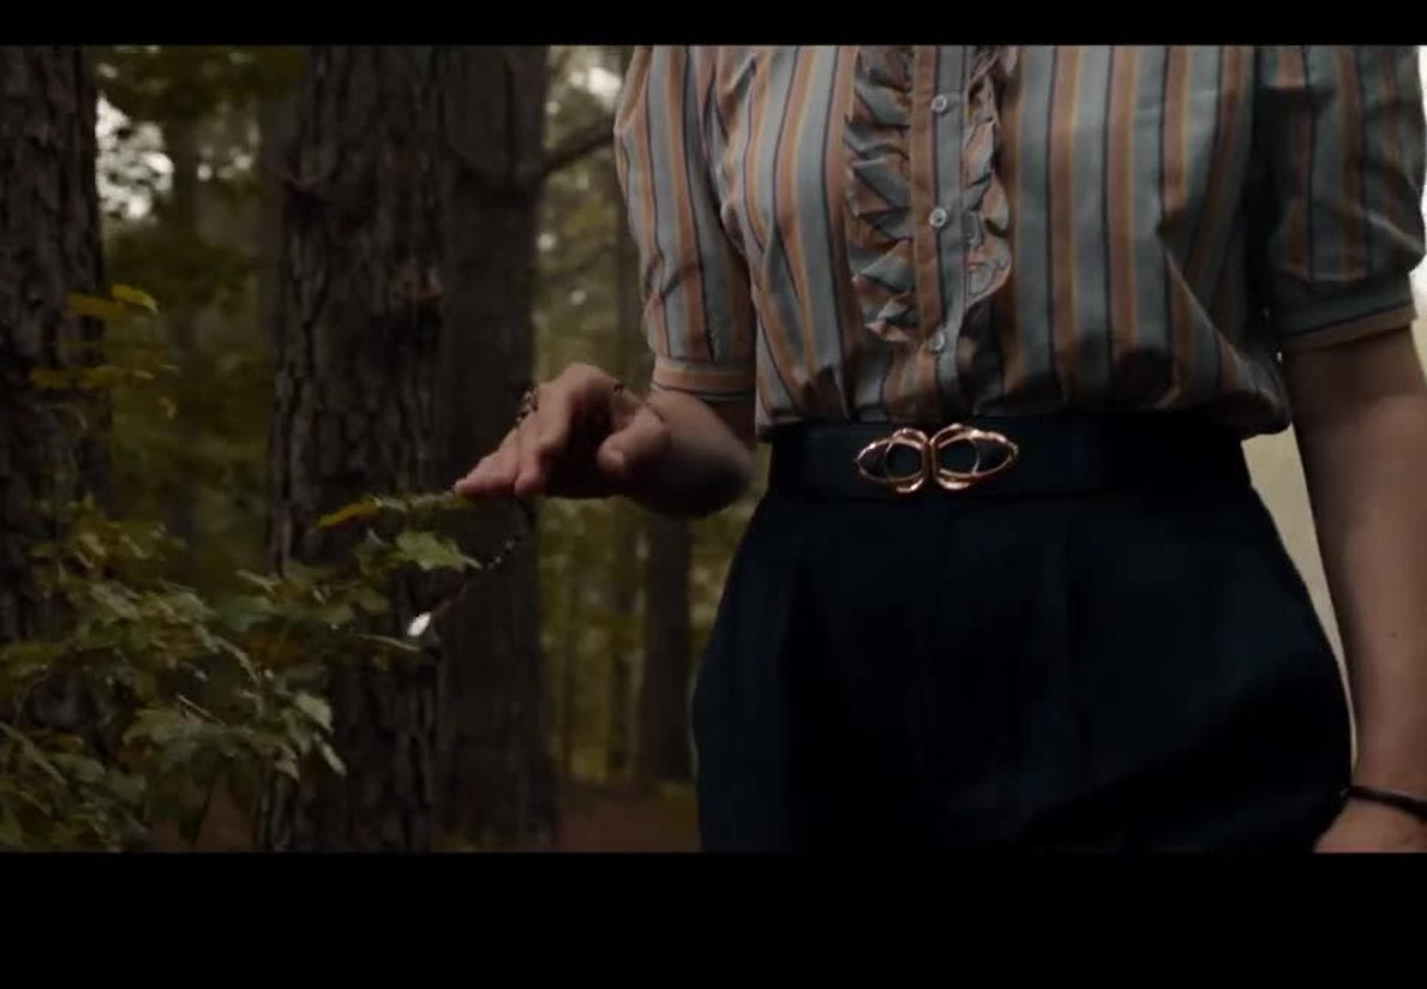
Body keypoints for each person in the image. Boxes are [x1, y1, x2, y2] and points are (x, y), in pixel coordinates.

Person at [455, 46, 1427, 854]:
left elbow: (1364, 389)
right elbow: (708, 417)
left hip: (1165, 650)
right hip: (815, 675)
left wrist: (1402, 791)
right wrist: (633, 436)